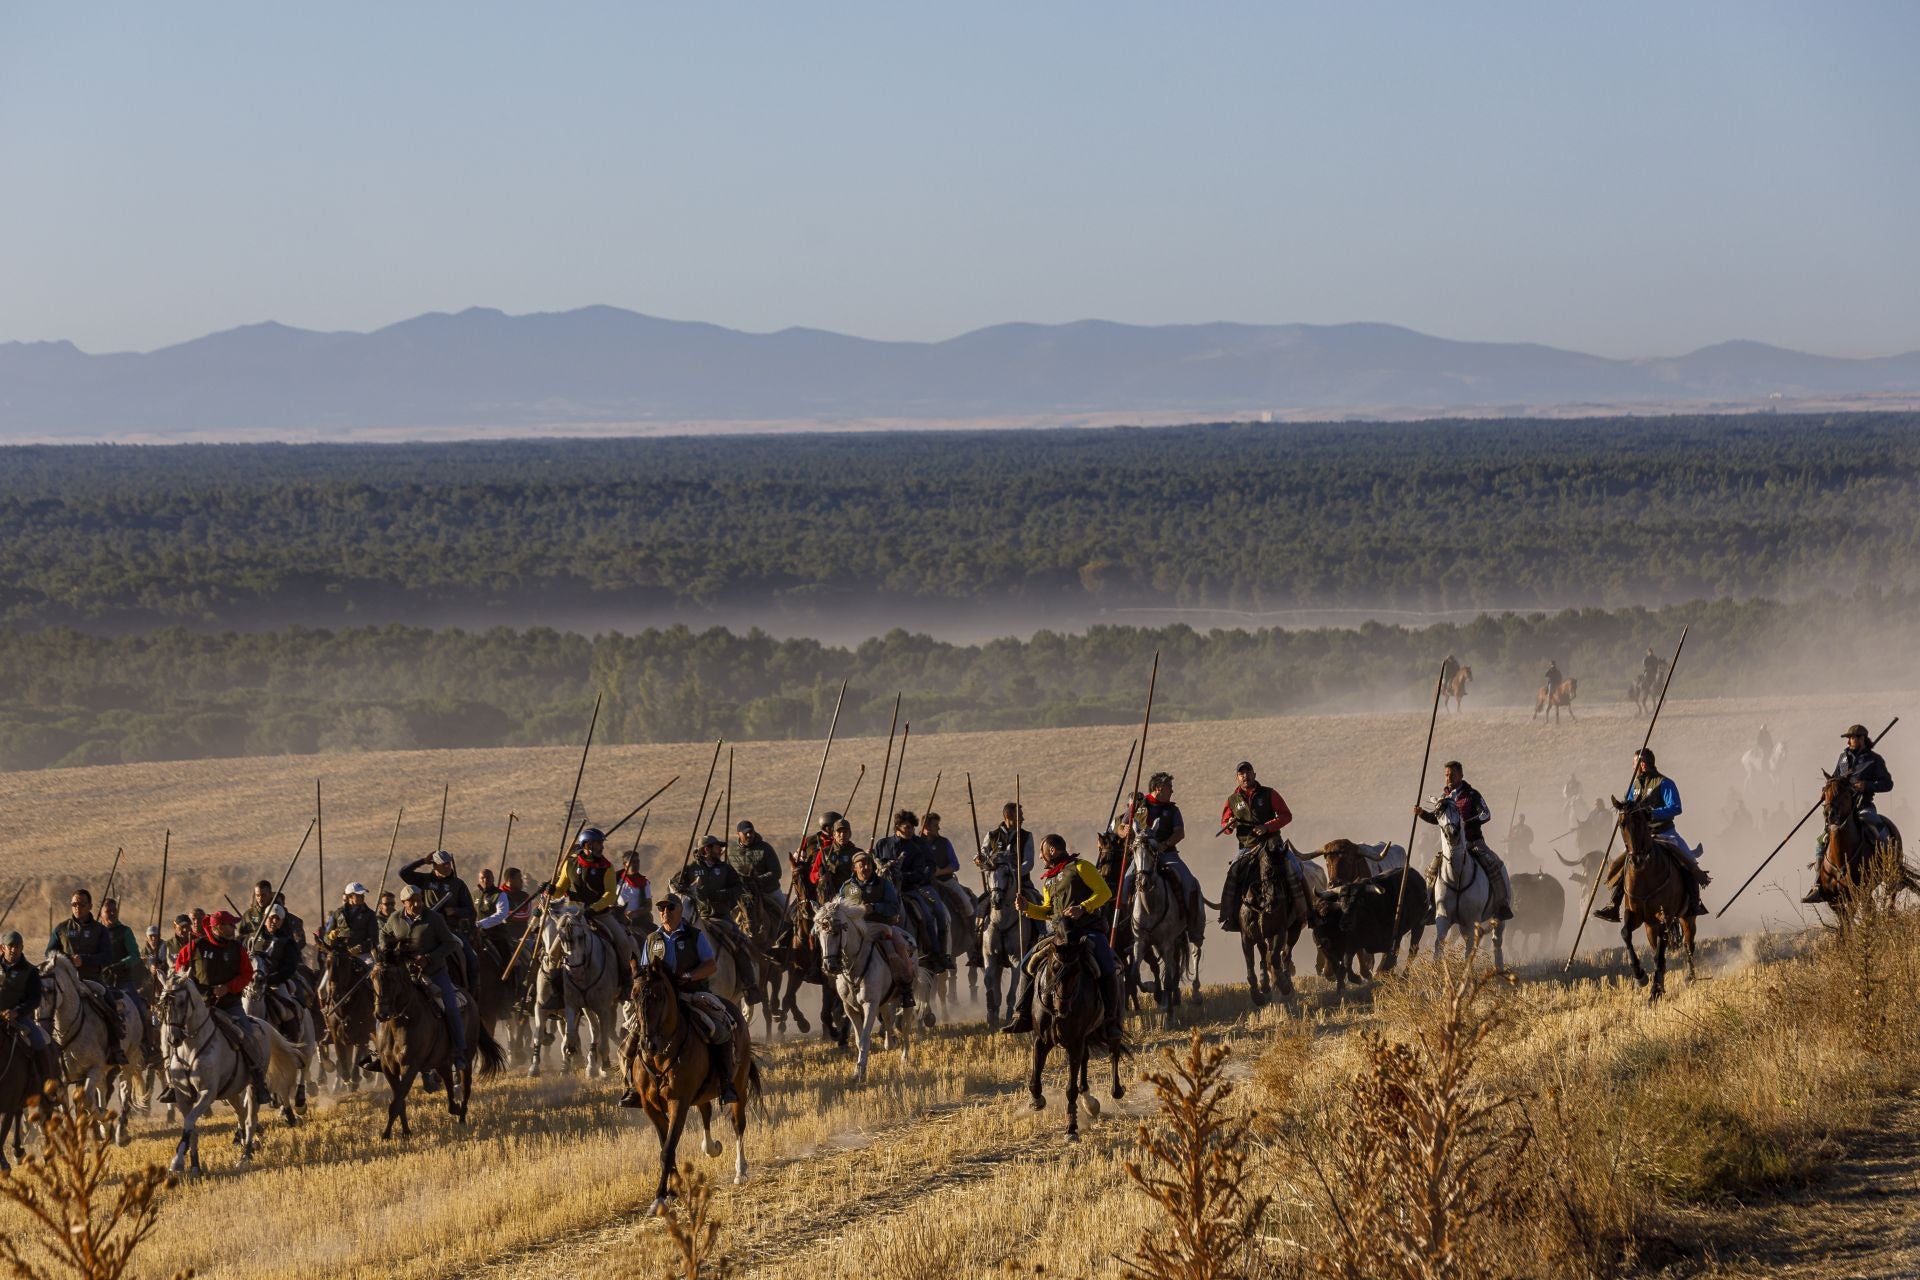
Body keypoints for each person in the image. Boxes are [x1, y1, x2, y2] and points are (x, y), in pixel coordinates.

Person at [1000, 834, 1123, 1042]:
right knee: (1025, 965)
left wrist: (1083, 907)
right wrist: (1028, 908)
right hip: (1059, 935)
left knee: (1107, 966)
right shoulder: (1048, 879)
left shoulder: (1081, 867)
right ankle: (1021, 1015)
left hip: (1087, 930)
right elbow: (1049, 911)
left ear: (1052, 850)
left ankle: (1111, 1021)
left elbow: (1105, 893)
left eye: (1041, 852)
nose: (1040, 857)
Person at [634, 894, 739, 1108]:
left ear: (680, 911)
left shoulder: (694, 936)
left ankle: (726, 1083)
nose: (665, 912)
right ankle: (633, 1087)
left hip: (692, 993)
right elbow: (644, 972)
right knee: (631, 1033)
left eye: (670, 908)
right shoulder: (652, 939)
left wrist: (690, 976)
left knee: (719, 1030)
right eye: (662, 909)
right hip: (659, 999)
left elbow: (710, 965)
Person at [1594, 748, 1704, 920]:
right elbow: (1629, 808)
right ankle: (1614, 905)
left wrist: (1652, 812)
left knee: (1688, 860)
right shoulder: (1635, 785)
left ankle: (1694, 903)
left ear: (1643, 764)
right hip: (1642, 838)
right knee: (1623, 865)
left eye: (1635, 763)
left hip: (1665, 833)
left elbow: (1676, 807)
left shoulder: (1664, 783)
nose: (1633, 767)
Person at [173, 910, 270, 1098]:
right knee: (174, 1034)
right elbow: (180, 969)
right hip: (199, 1007)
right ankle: (173, 1082)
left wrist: (228, 987)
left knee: (248, 1037)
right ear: (218, 927)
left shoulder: (237, 948)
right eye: (230, 925)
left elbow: (247, 974)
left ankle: (258, 1080)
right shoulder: (195, 947)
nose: (234, 928)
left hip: (230, 1005)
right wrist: (195, 989)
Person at [1805, 723, 1896, 903]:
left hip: (1863, 806)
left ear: (1862, 739)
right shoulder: (1843, 757)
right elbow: (1835, 778)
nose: (1849, 741)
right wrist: (1827, 789)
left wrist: (1867, 785)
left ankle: (1892, 872)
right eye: (1848, 738)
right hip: (1842, 809)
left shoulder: (1874, 760)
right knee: (1820, 840)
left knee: (1878, 828)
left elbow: (1888, 784)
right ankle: (1818, 885)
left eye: (1852, 738)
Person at [381, 883, 467, 1070]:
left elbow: (449, 943)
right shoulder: (395, 919)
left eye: (419, 900)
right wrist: (390, 952)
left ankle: (459, 1051)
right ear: (403, 903)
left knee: (451, 1007)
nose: (416, 904)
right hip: (405, 977)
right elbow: (384, 934)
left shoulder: (434, 919)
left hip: (435, 974)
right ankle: (384, 1052)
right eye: (411, 901)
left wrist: (428, 958)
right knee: (385, 1006)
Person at [1114, 771, 1205, 944]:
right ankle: (1123, 927)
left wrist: (1164, 844)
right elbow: (1121, 826)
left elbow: (1180, 833)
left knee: (1189, 882)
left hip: (1167, 854)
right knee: (1125, 884)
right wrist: (1123, 831)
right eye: (1169, 787)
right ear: (1158, 788)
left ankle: (1194, 925)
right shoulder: (1139, 805)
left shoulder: (1172, 810)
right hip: (1141, 857)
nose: (1172, 791)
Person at [1416, 760, 1513, 921]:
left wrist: (1466, 823)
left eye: (1452, 774)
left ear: (1461, 775)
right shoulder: (1444, 798)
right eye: (1447, 775)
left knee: (1493, 864)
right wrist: (1422, 814)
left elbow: (1486, 814)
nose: (1449, 778)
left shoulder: (1472, 795)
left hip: (1474, 842)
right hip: (1452, 846)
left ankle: (1502, 904)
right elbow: (1437, 819)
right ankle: (1430, 906)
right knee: (1431, 869)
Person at [44, 888, 127, 1065]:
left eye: (81, 904)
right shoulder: (61, 929)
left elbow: (107, 956)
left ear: (90, 906)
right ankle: (44, 1050)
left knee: (109, 1003)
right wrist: (66, 960)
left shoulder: (100, 930)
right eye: (74, 904)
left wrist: (85, 960)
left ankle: (115, 1047)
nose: (77, 907)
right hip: (66, 982)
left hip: (92, 980)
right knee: (45, 1004)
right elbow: (49, 953)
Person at [1216, 762, 1300, 934]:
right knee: (1232, 873)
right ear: (1237, 778)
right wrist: (1229, 826)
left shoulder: (1269, 793)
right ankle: (1227, 915)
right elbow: (1225, 824)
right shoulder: (1232, 800)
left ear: (1254, 774)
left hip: (1272, 844)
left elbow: (1286, 815)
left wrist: (1267, 827)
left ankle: (1307, 911)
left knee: (1296, 869)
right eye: (1241, 774)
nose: (1245, 776)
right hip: (1247, 847)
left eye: (1248, 772)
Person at [549, 828, 640, 980]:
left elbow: (610, 894)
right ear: (587, 845)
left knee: (624, 943)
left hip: (599, 914)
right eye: (598, 844)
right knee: (553, 952)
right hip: (573, 915)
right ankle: (555, 987)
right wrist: (551, 890)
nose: (602, 847)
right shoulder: (569, 864)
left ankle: (625, 981)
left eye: (601, 843)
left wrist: (594, 908)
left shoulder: (607, 867)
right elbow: (560, 889)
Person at [838, 849, 917, 1008]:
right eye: (861, 865)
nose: (865, 867)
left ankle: (905, 989)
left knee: (897, 950)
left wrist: (874, 908)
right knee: (835, 947)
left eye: (868, 864)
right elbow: (839, 908)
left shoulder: (883, 884)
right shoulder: (846, 887)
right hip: (855, 929)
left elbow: (894, 907)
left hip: (880, 926)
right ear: (854, 868)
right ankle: (840, 990)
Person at [874, 810, 952, 972]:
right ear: (897, 827)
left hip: (911, 889)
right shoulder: (882, 844)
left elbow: (924, 869)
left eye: (912, 828)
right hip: (884, 892)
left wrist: (902, 876)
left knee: (930, 915)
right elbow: (874, 865)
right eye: (907, 827)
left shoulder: (916, 846)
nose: (910, 831)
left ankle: (936, 953)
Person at [398, 851, 479, 986]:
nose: (447, 866)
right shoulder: (424, 880)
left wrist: (454, 911)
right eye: (443, 864)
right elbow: (403, 873)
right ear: (434, 865)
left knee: (472, 960)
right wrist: (422, 861)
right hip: (424, 928)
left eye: (448, 863)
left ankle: (472, 993)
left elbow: (470, 911)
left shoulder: (458, 884)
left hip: (450, 930)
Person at [0, 930, 59, 1092]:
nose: (14, 950)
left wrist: (16, 1012)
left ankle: (47, 1086)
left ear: (22, 948)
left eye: (17, 946)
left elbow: (34, 1000)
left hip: (20, 1018)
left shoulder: (30, 971)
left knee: (40, 1042)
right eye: (10, 946)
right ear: (2, 948)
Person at [924, 813, 978, 970]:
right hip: (925, 884)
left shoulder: (944, 842)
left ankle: (972, 943)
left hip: (946, 881)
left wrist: (938, 873)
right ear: (926, 827)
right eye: (935, 825)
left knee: (967, 904)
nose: (938, 828)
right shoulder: (917, 843)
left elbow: (955, 865)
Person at [319, 882, 380, 1004]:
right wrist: (330, 937)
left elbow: (374, 939)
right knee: (321, 989)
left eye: (362, 894)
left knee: (375, 980)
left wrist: (359, 948)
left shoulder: (370, 914)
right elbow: (326, 937)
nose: (362, 897)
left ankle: (378, 1014)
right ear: (349, 897)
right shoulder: (337, 913)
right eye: (359, 895)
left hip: (363, 955)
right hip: (340, 956)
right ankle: (325, 1013)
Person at [730, 820, 787, 934]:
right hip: (744, 895)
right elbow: (730, 874)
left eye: (751, 832)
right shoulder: (732, 852)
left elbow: (776, 872)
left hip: (769, 891)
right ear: (738, 834)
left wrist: (758, 880)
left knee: (787, 913)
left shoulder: (765, 848)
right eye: (746, 833)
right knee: (729, 918)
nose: (749, 835)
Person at [477, 867, 535, 968]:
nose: (521, 881)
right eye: (519, 878)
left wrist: (503, 914)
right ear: (510, 880)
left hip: (520, 937)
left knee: (531, 960)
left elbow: (525, 915)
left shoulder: (525, 896)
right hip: (491, 933)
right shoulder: (496, 894)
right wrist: (497, 916)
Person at [792, 810, 843, 904]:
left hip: (835, 881)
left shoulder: (840, 840)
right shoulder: (809, 840)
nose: (839, 829)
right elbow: (796, 858)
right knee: (791, 912)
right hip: (811, 882)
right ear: (827, 827)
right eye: (836, 827)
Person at [982, 803, 1037, 879]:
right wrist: (980, 858)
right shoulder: (992, 835)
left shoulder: (1026, 836)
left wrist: (1015, 873)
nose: (1022, 819)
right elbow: (983, 852)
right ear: (1008, 816)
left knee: (1031, 891)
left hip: (1020, 882)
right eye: (1019, 816)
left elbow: (1029, 861)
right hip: (996, 881)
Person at [811, 818, 861, 900]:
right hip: (828, 898)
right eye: (839, 832)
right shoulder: (824, 852)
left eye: (845, 832)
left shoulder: (857, 853)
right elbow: (812, 876)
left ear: (850, 834)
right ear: (834, 834)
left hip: (851, 895)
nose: (842, 835)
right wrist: (820, 875)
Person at [616, 853, 651, 925]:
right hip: (617, 917)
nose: (636, 864)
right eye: (633, 862)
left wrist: (635, 913)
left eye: (638, 861)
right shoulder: (615, 878)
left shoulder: (644, 882)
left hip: (637, 921)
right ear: (625, 864)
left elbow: (648, 906)